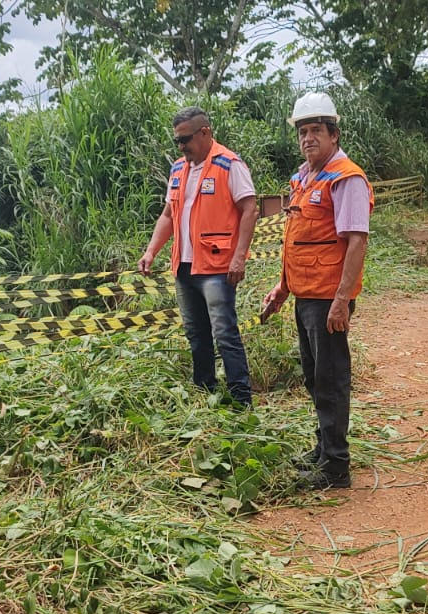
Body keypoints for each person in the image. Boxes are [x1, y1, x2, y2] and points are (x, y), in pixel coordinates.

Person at [258, 93, 373, 490]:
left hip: (328, 299)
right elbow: (299, 239)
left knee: (330, 378)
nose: (308, 138)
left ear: (334, 135)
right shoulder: (302, 178)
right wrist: (282, 287)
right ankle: (323, 449)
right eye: (303, 131)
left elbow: (355, 241)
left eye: (316, 131)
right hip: (306, 294)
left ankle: (336, 466)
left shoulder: (347, 178)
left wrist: (341, 301)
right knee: (313, 377)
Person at [137, 107, 257, 406]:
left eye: (185, 139)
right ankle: (207, 393)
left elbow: (249, 209)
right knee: (196, 333)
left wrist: (239, 256)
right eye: (176, 141)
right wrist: (152, 250)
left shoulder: (229, 165)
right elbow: (167, 215)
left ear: (205, 133)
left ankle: (242, 400)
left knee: (224, 333)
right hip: (184, 266)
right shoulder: (178, 169)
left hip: (217, 267)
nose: (180, 146)